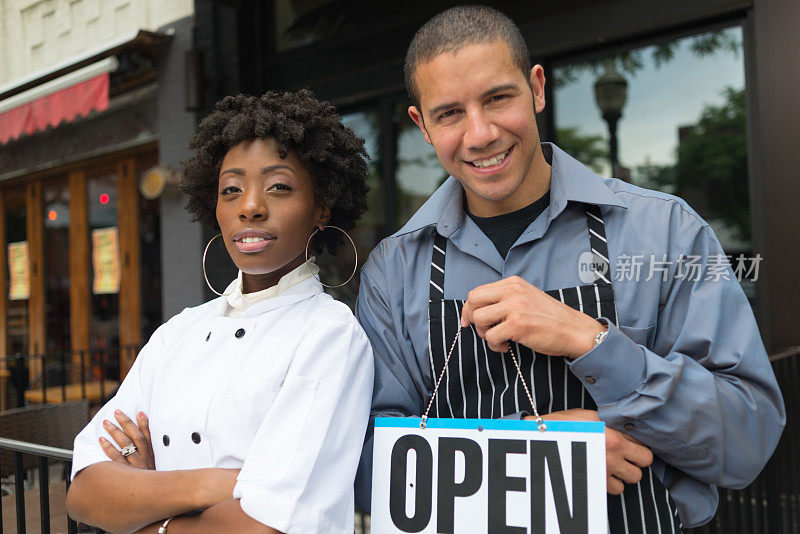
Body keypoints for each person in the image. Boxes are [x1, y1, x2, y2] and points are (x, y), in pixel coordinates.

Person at [354, 5, 784, 531]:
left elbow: (748, 440)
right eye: (449, 114)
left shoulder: (667, 232)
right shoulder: (393, 270)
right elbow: (366, 460)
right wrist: (547, 459)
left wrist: (592, 342)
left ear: (536, 89)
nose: (480, 133)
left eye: (498, 98)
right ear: (422, 124)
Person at [67, 90, 374, 534]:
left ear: (321, 207)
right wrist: (213, 485)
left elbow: (267, 527)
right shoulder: (177, 333)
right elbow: (83, 490)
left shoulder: (331, 336)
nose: (250, 206)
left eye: (279, 187)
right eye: (231, 190)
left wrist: (147, 511)